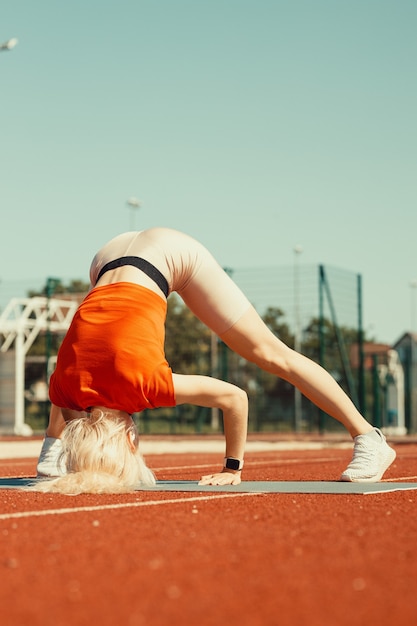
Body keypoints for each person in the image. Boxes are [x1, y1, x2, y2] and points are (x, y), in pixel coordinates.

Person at [35, 227, 396, 494]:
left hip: (173, 253)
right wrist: (52, 452)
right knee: (71, 384)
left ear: (131, 439)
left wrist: (232, 468)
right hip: (107, 256)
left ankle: (370, 439)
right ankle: (51, 452)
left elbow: (235, 397)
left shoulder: (144, 384)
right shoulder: (67, 390)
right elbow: (62, 393)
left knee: (270, 354)